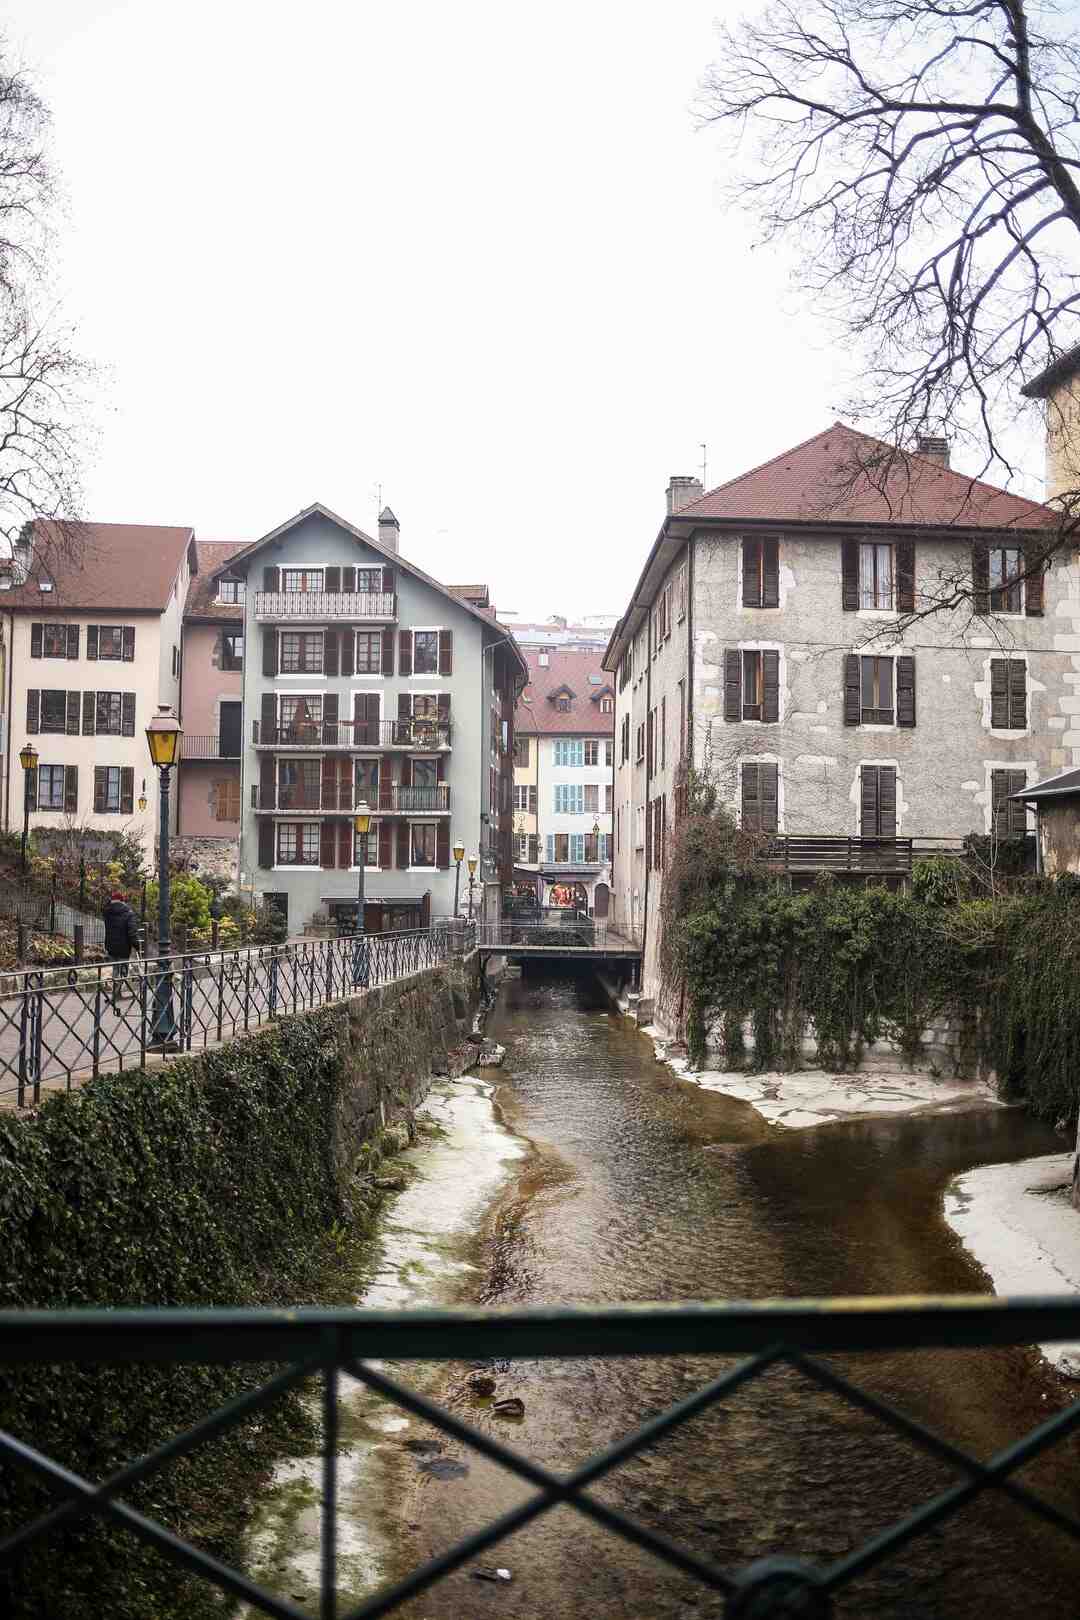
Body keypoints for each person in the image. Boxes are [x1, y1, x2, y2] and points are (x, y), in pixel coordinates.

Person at [103, 890, 140, 1003]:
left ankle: (116, 994)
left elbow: (104, 907)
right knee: (123, 971)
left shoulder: (107, 912)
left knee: (115, 969)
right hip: (124, 947)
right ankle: (116, 995)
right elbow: (132, 932)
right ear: (122, 900)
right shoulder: (128, 913)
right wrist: (136, 945)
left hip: (111, 946)